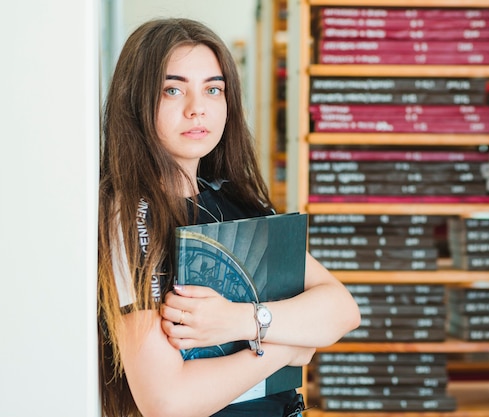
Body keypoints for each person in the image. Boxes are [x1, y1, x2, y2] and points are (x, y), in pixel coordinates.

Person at [97, 18, 361, 417]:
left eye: (213, 89)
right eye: (172, 89)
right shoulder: (128, 219)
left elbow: (341, 310)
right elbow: (168, 402)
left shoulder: (238, 200)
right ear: (135, 100)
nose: (196, 108)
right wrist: (288, 343)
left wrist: (239, 321)